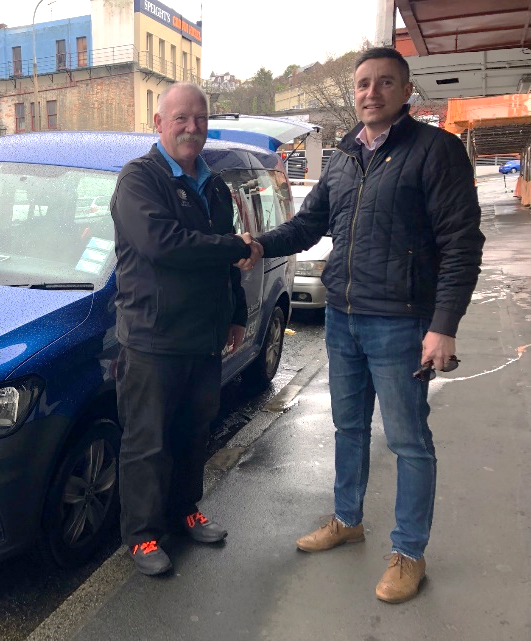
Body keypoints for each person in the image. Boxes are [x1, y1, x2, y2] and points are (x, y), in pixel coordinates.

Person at [239, 47, 485, 602]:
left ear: (405, 91)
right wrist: (258, 244)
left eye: (383, 83)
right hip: (344, 317)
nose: (370, 92)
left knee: (408, 442)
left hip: (401, 324)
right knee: (348, 429)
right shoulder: (346, 156)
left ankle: (409, 553)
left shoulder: (435, 152)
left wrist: (443, 326)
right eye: (362, 84)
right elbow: (308, 225)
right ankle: (347, 520)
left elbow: (461, 245)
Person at [110, 82, 253, 576]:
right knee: (147, 443)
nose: (192, 128)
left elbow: (223, 263)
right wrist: (234, 245)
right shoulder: (138, 180)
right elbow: (162, 244)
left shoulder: (213, 187)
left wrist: (236, 313)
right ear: (159, 123)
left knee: (195, 433)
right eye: (181, 119)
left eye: (200, 119)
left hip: (203, 338)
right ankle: (143, 536)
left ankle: (184, 510)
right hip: (152, 339)